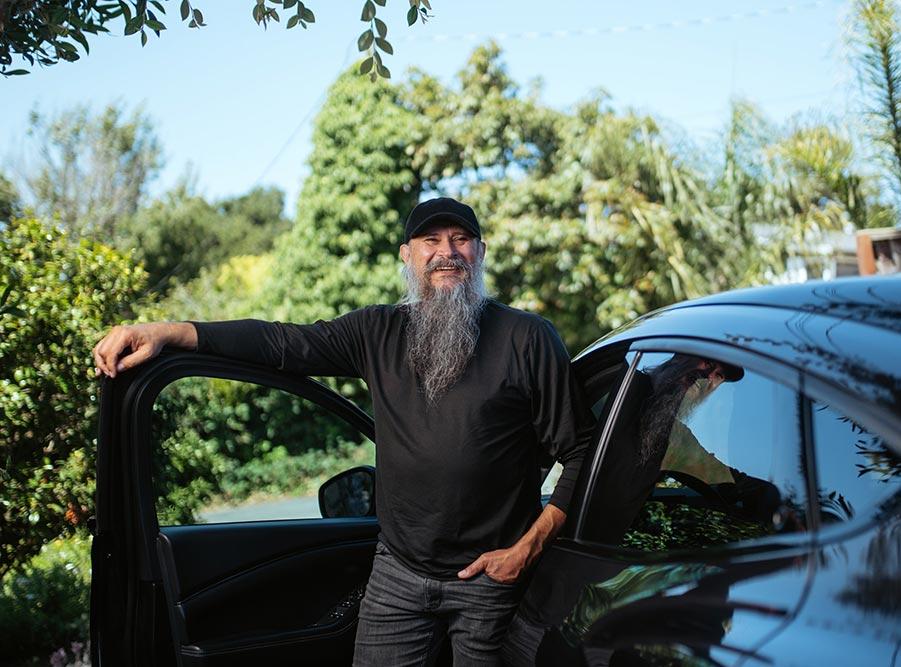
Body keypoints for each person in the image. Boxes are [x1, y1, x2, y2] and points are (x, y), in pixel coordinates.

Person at [93, 197, 592, 667]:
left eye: (461, 239)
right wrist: (168, 332)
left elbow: (582, 449)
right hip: (399, 575)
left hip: (491, 580)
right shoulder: (376, 332)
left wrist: (528, 548)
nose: (447, 252)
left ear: (479, 253)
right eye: (431, 241)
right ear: (407, 255)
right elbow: (281, 343)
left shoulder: (528, 338)